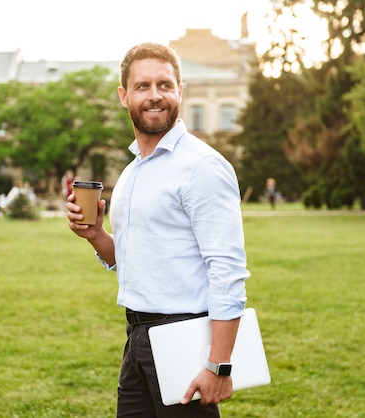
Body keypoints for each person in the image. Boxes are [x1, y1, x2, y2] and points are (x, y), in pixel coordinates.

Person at [66, 42, 249, 418]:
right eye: (143, 86)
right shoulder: (134, 170)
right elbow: (137, 258)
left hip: (183, 340)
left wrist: (220, 365)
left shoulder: (202, 167)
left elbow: (227, 271)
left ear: (180, 91)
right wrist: (97, 236)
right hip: (136, 340)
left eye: (164, 85)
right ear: (124, 96)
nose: (155, 96)